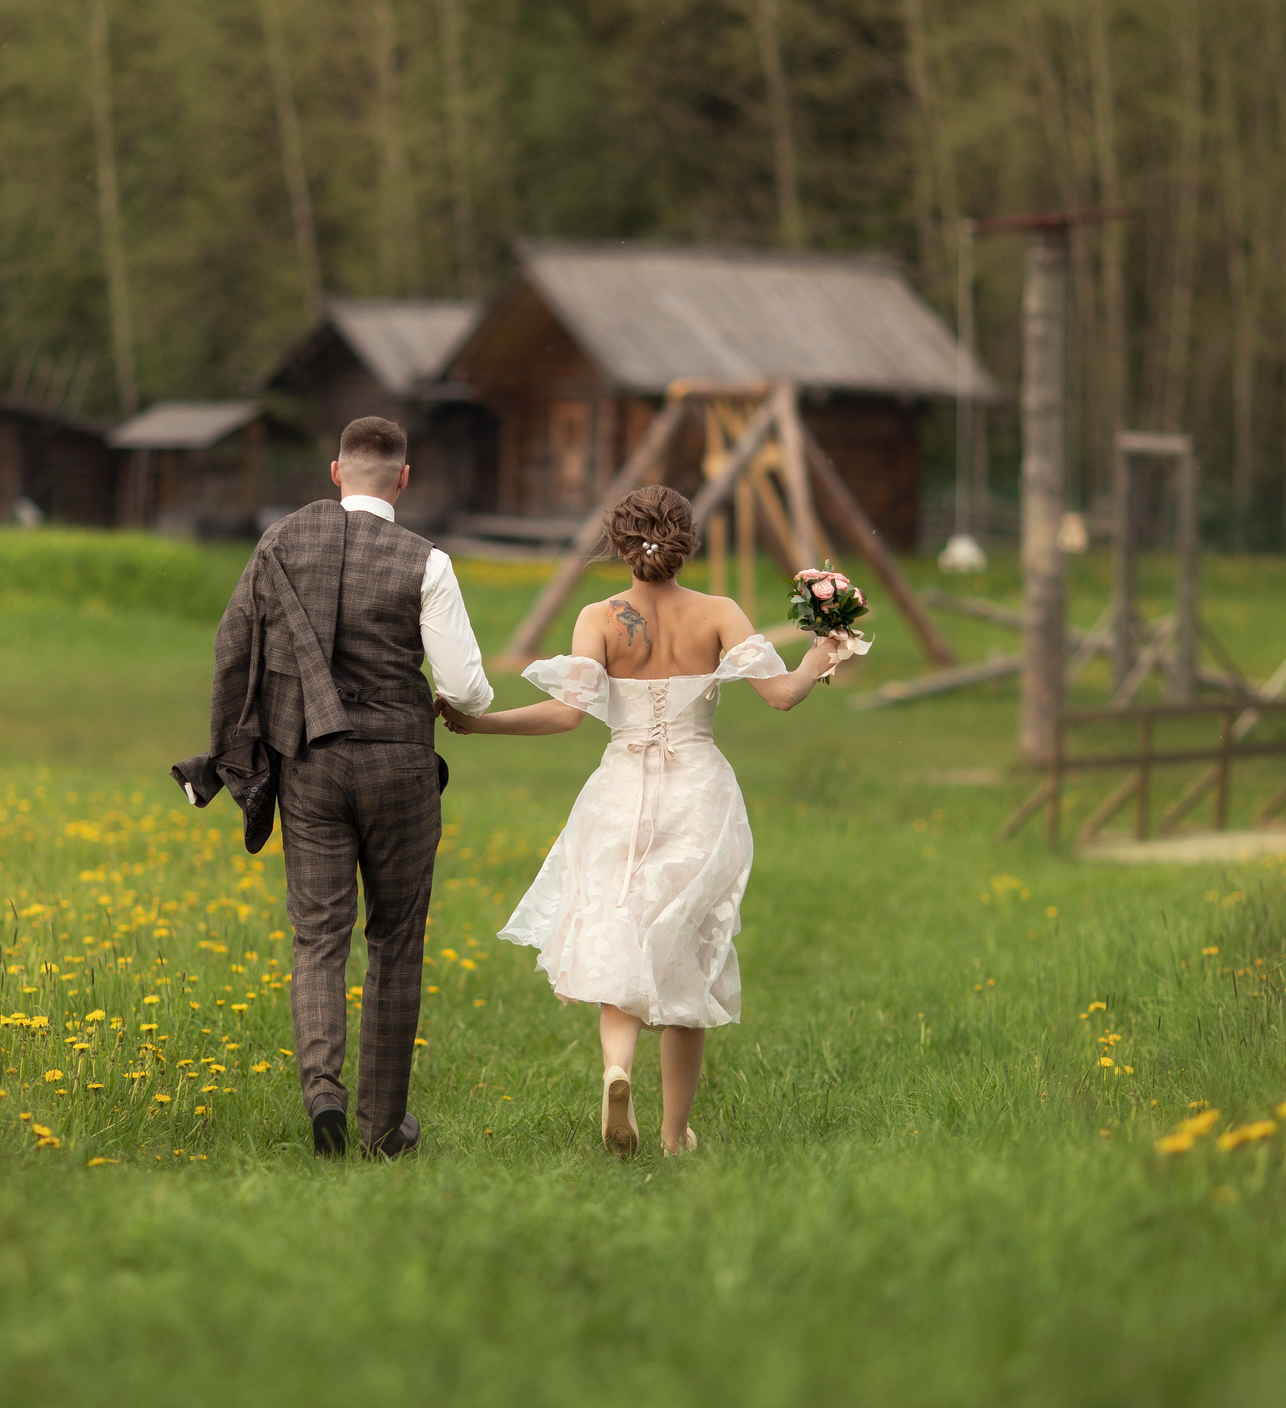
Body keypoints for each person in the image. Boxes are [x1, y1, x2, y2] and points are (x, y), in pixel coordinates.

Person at [436, 485, 851, 1156]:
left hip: (620, 792)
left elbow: (566, 715)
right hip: (698, 791)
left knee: (618, 932)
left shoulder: (599, 617)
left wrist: (478, 724)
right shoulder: (718, 612)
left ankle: (617, 1068)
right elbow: (781, 696)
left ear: (618, 544)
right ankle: (674, 1133)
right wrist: (820, 654)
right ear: (688, 541)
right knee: (690, 947)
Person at [187, 417, 493, 1157]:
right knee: (396, 940)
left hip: (312, 764)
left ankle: (322, 1089)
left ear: (335, 472)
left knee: (318, 936)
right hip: (400, 766)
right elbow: (464, 689)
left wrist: (230, 751)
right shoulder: (427, 561)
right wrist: (450, 703)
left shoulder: (282, 542)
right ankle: (383, 1127)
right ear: (404, 478)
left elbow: (232, 646)